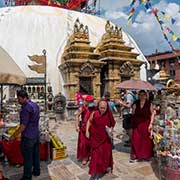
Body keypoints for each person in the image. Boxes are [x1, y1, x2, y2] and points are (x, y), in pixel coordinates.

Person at [10, 90, 40, 180]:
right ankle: (36, 171)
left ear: (24, 98)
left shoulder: (25, 108)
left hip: (28, 136)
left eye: (19, 99)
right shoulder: (35, 105)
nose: (18, 101)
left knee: (27, 158)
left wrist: (13, 136)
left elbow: (23, 126)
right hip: (35, 134)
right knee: (35, 155)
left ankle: (27, 177)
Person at [86, 99, 116, 180]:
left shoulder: (109, 114)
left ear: (107, 107)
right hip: (95, 138)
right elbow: (89, 121)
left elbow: (112, 124)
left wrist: (111, 130)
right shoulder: (94, 113)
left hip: (105, 138)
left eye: (104, 108)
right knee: (96, 156)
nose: (102, 109)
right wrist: (87, 131)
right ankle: (95, 173)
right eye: (101, 107)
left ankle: (104, 167)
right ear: (98, 107)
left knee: (105, 155)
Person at [130, 90, 154, 162]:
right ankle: (137, 154)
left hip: (146, 124)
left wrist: (151, 123)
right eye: (140, 94)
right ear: (138, 95)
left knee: (146, 140)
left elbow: (152, 113)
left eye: (143, 94)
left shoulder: (149, 103)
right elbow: (133, 114)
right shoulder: (135, 103)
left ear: (146, 95)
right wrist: (133, 108)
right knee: (136, 139)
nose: (142, 96)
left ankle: (146, 155)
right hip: (137, 124)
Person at [75, 95, 96, 165]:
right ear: (86, 101)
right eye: (90, 101)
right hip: (83, 128)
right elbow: (77, 116)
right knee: (83, 144)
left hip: (92, 128)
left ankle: (92, 156)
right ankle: (85, 157)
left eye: (92, 101)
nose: (91, 102)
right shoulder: (82, 108)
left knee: (92, 143)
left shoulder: (94, 108)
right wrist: (77, 126)